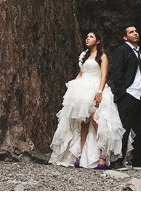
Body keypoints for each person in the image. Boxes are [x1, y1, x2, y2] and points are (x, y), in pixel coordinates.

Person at [49, 32, 126, 169]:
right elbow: (80, 73)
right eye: (87, 37)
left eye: (91, 37)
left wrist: (100, 92)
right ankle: (81, 155)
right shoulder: (83, 56)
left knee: (97, 120)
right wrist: (72, 91)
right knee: (83, 122)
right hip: (82, 89)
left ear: (97, 41)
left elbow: (104, 75)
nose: (87, 39)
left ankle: (102, 156)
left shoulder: (102, 56)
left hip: (95, 87)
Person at [110, 26, 141, 170]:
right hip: (129, 94)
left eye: (136, 31)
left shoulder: (139, 52)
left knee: (138, 129)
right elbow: (117, 73)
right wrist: (123, 93)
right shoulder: (122, 50)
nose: (135, 33)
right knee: (124, 127)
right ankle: (117, 159)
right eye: (131, 32)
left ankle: (138, 160)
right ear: (125, 37)